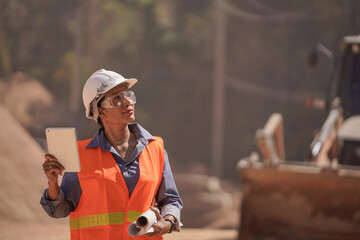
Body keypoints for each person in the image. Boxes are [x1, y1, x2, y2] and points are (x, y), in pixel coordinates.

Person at [40, 69, 183, 240]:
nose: (127, 101)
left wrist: (167, 222)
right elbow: (60, 210)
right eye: (117, 98)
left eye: (128, 94)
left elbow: (171, 200)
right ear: (100, 111)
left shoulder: (155, 148)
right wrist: (53, 183)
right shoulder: (80, 154)